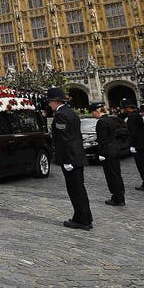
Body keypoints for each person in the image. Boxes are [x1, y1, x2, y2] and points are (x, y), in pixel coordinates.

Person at [47, 87, 92, 230]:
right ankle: (84, 217)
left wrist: (67, 160)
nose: (49, 104)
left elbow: (64, 139)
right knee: (80, 189)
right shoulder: (71, 113)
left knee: (75, 190)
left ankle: (82, 220)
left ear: (55, 101)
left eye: (50, 102)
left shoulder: (60, 115)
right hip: (77, 156)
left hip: (71, 159)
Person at [89, 102, 125, 206]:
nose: (92, 115)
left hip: (107, 152)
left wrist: (101, 153)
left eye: (93, 112)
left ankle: (117, 198)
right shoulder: (110, 119)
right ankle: (120, 196)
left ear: (96, 111)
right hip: (114, 150)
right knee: (117, 174)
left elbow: (102, 139)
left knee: (111, 175)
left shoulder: (101, 122)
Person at [123, 99, 144, 192]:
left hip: (138, 145)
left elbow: (133, 133)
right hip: (141, 144)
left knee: (142, 166)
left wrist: (132, 145)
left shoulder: (132, 118)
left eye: (125, 108)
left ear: (129, 108)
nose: (124, 110)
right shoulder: (137, 115)